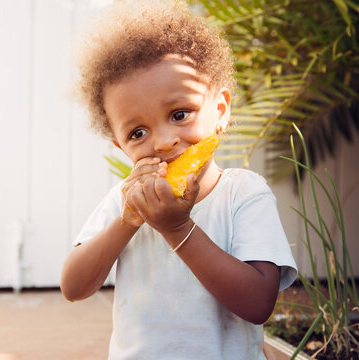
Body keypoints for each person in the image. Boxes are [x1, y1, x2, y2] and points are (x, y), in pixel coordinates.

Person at [60, 1, 297, 359]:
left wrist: (177, 229)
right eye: (138, 132)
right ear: (121, 146)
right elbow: (74, 287)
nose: (163, 141)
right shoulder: (123, 203)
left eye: (180, 114)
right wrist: (127, 221)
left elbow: (258, 303)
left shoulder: (242, 194)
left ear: (219, 110)